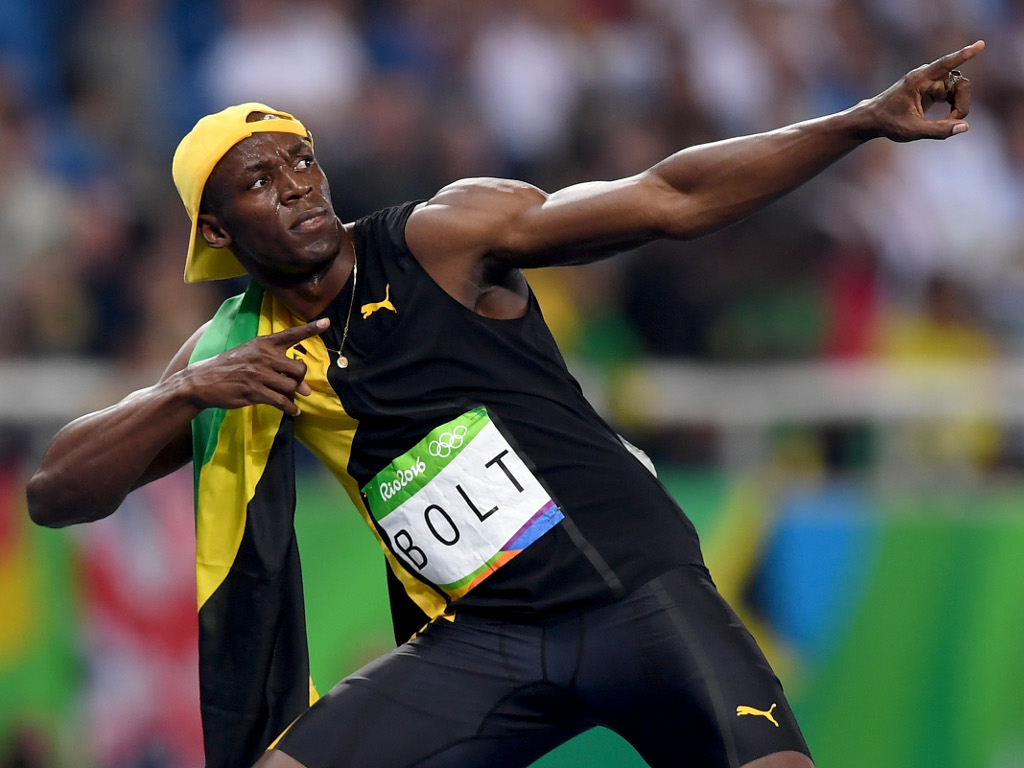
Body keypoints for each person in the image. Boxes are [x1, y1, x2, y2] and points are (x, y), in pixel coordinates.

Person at [27, 41, 984, 768]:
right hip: (487, 643)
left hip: (638, 596)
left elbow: (669, 198)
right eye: (259, 182)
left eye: (301, 161)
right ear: (214, 230)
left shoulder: (444, 239)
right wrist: (188, 391)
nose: (297, 189)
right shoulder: (238, 352)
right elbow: (56, 491)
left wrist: (861, 121)